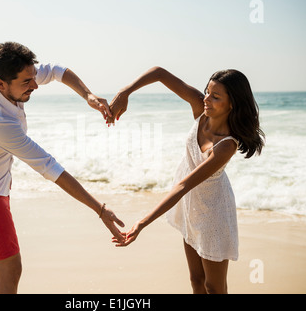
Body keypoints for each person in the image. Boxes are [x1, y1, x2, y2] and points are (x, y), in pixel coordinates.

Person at [0, 42, 125, 294]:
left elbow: (57, 71)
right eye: (26, 82)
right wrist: (99, 209)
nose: (35, 85)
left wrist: (87, 95)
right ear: (1, 84)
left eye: (33, 77)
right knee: (10, 269)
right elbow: (50, 168)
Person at [109, 66, 265, 294]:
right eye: (207, 92)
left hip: (214, 215)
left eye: (215, 96)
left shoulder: (226, 146)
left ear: (232, 103)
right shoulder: (200, 109)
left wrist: (142, 223)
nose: (206, 99)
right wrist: (126, 92)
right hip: (191, 207)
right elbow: (160, 73)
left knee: (214, 287)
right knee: (196, 279)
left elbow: (182, 186)